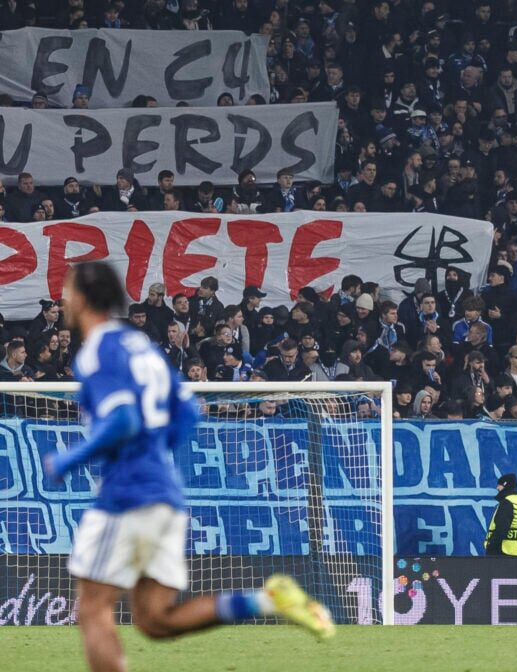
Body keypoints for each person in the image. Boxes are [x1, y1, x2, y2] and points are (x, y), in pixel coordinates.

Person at [45, 262, 331, 672]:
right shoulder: (139, 345)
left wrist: (70, 458)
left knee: (92, 609)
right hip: (165, 492)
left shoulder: (97, 350)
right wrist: (154, 451)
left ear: (84, 297)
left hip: (126, 494)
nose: (64, 299)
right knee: (155, 620)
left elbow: (123, 418)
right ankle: (266, 600)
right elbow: (188, 413)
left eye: (69, 291)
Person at [484, 473, 517, 556]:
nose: (497, 488)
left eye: (499, 485)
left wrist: (490, 546)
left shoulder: (507, 503)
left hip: (500, 551)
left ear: (506, 485)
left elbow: (501, 529)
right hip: (515, 551)